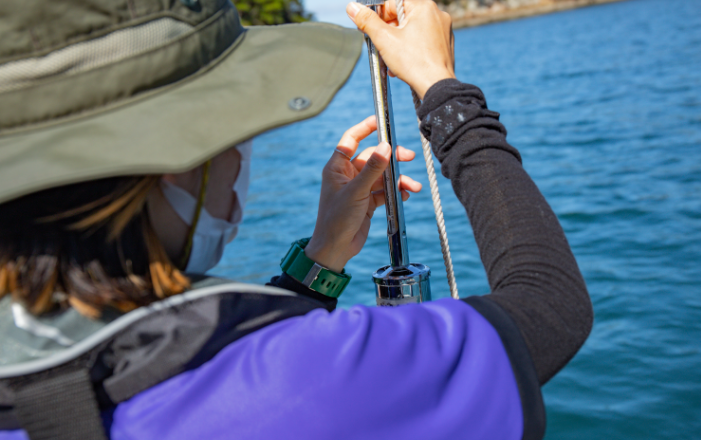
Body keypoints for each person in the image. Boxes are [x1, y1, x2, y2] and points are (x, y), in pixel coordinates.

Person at [0, 0, 592, 438]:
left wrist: (322, 258)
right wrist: (444, 94)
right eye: (239, 131)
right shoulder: (296, 384)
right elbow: (551, 308)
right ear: (178, 164)